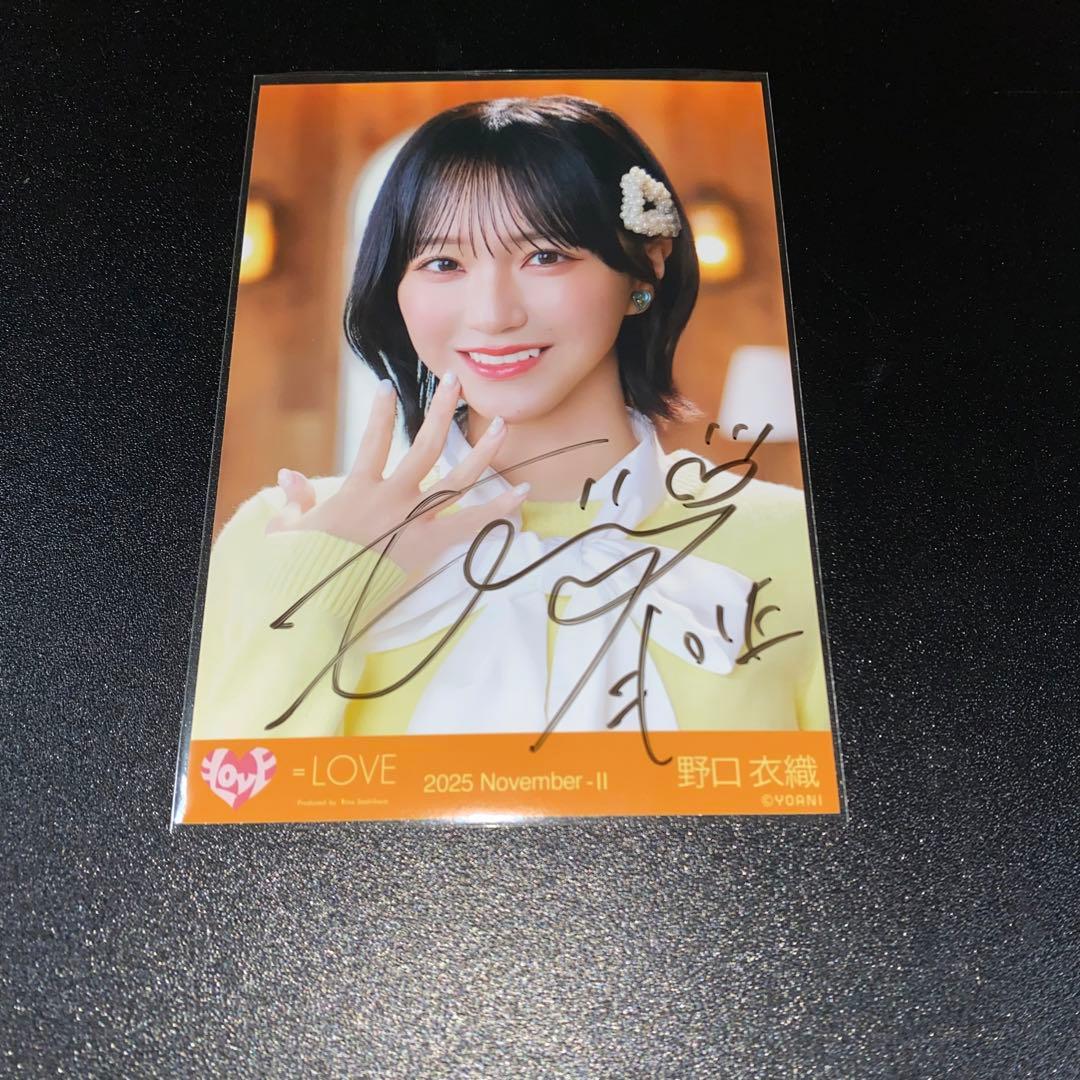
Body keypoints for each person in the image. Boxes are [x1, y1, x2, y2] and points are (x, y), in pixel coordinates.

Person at [189, 95, 829, 743]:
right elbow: (222, 799)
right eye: (443, 264)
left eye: (544, 256)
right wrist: (324, 580)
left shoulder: (797, 545)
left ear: (647, 263)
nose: (493, 314)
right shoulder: (285, 535)